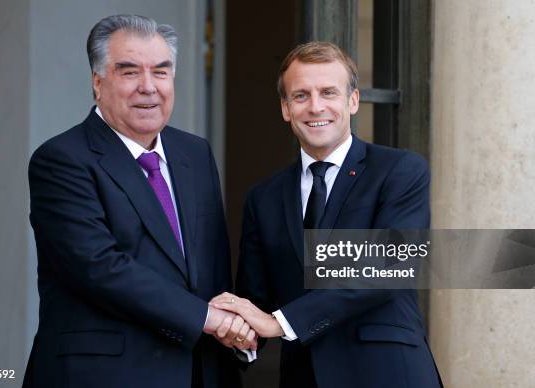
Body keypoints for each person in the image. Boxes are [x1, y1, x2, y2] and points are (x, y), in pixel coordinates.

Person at [22, 15, 253, 388]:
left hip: (200, 372)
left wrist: (238, 329)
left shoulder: (194, 153)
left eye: (161, 72)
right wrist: (209, 319)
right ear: (98, 83)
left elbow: (212, 265)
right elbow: (99, 267)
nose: (149, 87)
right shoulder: (62, 159)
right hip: (104, 376)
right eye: (129, 72)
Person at [210, 42, 442, 387]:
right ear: (286, 109)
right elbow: (254, 299)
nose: (315, 106)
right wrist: (237, 328)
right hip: (305, 377)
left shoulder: (399, 170)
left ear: (353, 101)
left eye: (328, 92)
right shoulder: (264, 198)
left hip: (388, 372)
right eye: (300, 96)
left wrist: (281, 322)